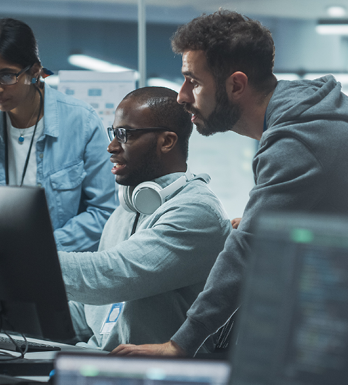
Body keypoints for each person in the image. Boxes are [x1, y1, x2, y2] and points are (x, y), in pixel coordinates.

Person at [112, 10, 348, 356]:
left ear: (236, 85)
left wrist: (179, 345)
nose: (182, 96)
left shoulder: (297, 138)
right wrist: (271, 222)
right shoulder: (297, 112)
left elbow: (248, 252)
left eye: (192, 81)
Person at [58, 87, 232, 351]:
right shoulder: (126, 211)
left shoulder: (197, 212)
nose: (112, 146)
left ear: (166, 141)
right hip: (99, 361)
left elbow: (111, 276)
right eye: (113, 133)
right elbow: (91, 312)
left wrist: (30, 264)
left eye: (125, 135)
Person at [0, 18, 116, 252]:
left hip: (59, 269)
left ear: (35, 72)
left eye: (6, 76)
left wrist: (40, 248)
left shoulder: (83, 122)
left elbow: (103, 212)